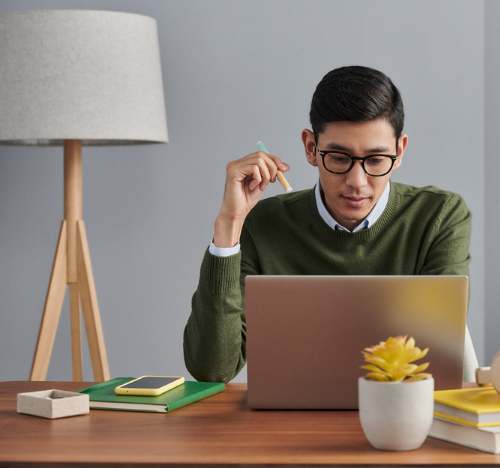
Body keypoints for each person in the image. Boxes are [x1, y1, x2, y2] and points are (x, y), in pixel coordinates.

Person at [183, 65, 474, 384]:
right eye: (338, 157)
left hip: (401, 411)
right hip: (290, 421)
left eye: (376, 160)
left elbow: (436, 357)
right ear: (311, 148)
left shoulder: (440, 216)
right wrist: (229, 223)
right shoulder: (263, 222)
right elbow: (211, 369)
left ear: (399, 150)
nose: (357, 182)